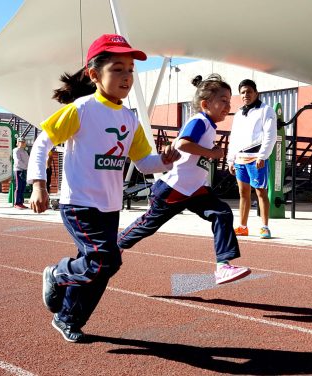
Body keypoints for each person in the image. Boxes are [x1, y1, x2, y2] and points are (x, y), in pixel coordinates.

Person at [28, 34, 178, 343]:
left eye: (130, 71)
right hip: (79, 203)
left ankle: (68, 317)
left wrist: (163, 161)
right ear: (95, 74)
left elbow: (143, 162)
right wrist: (38, 185)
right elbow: (42, 142)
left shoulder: (129, 119)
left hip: (110, 207)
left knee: (101, 268)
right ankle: (58, 274)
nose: (126, 77)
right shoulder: (81, 109)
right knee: (105, 260)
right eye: (117, 69)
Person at [118, 74, 251, 284]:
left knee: (222, 213)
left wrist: (210, 152)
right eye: (223, 101)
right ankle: (118, 244)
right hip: (174, 188)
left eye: (229, 101)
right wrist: (211, 152)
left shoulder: (209, 125)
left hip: (195, 189)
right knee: (148, 225)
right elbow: (181, 144)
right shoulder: (199, 121)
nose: (228, 106)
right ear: (206, 104)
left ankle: (223, 266)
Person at [226, 79, 277, 239]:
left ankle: (264, 226)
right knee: (243, 193)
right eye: (242, 92)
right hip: (240, 158)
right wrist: (230, 159)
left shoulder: (266, 110)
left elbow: (270, 134)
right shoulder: (239, 113)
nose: (246, 95)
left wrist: (263, 155)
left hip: (256, 157)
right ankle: (242, 226)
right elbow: (233, 137)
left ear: (256, 93)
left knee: (261, 192)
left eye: (249, 91)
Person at [12, 137, 29, 209]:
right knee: (18, 187)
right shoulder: (16, 150)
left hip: (24, 170)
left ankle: (21, 202)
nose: (22, 143)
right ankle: (16, 203)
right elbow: (17, 161)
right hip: (18, 170)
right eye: (20, 142)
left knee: (23, 187)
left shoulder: (25, 152)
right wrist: (26, 167)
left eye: (23, 142)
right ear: (17, 143)